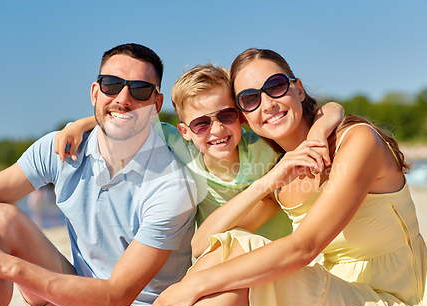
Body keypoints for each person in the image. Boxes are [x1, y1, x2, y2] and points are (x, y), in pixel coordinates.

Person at [141, 48, 427, 306]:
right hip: (327, 305)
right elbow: (203, 245)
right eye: (250, 98)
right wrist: (266, 183)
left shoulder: (357, 142)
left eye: (276, 86)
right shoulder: (284, 177)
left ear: (298, 89)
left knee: (237, 262)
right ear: (245, 115)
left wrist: (192, 285)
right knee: (230, 266)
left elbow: (304, 248)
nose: (267, 103)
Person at [0, 43, 197, 306]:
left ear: (155, 105)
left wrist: (7, 266)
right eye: (112, 85)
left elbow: (115, 300)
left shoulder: (172, 185)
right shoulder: (61, 148)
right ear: (95, 92)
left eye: (140, 90)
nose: (123, 98)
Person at [56, 64, 345, 257]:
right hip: (217, 254)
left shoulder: (263, 147)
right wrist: (77, 126)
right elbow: (128, 121)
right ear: (185, 132)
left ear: (242, 117)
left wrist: (317, 134)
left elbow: (332, 108)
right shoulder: (181, 148)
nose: (217, 130)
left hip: (274, 253)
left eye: (226, 116)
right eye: (201, 124)